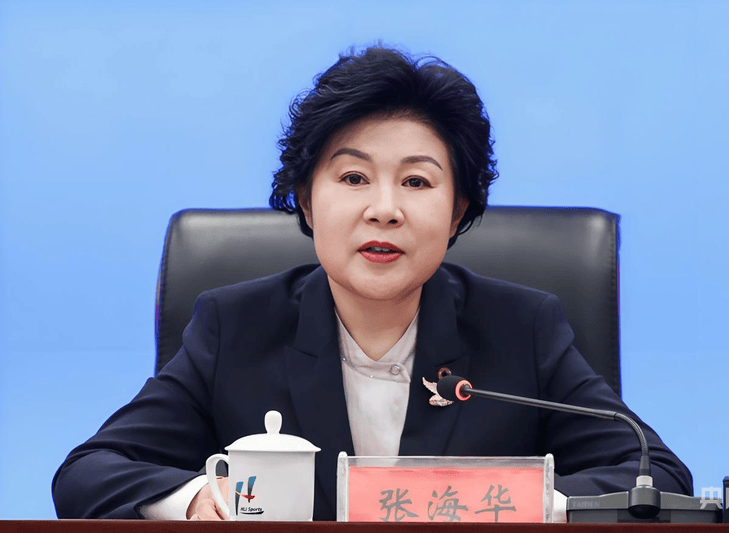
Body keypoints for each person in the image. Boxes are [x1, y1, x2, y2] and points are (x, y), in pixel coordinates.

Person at [52, 45, 692, 521]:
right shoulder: (234, 326)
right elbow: (88, 473)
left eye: (416, 181)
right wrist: (197, 501)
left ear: (457, 212)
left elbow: (657, 476)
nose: (384, 210)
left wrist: (519, 504)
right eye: (353, 178)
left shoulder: (521, 328)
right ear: (307, 201)